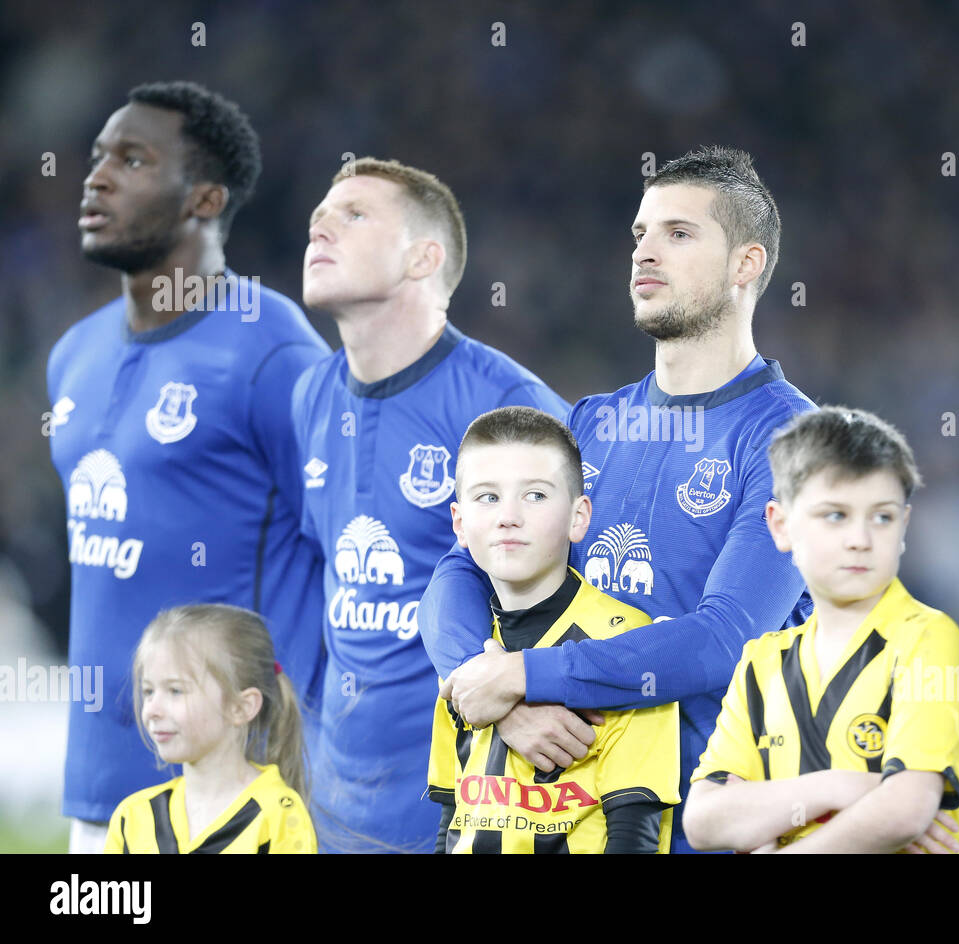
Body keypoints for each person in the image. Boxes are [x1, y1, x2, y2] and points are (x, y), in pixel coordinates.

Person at [425, 146, 818, 853]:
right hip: (559, 822)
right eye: (640, 233)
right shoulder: (591, 424)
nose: (645, 252)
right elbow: (459, 571)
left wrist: (523, 675)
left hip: (708, 831)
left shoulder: (795, 442)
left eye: (679, 233)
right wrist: (485, 695)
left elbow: (724, 638)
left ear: (747, 265)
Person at [48, 81, 328, 854]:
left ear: (205, 198)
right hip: (100, 792)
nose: (97, 177)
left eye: (133, 160)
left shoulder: (273, 353)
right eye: (100, 156)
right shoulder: (75, 353)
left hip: (236, 797)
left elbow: (347, 543)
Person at [293, 157, 567, 852]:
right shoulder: (309, 398)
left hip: (471, 802)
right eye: (320, 213)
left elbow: (578, 592)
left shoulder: (509, 405)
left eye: (354, 214)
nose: (320, 223)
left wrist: (521, 700)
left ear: (424, 258)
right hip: (336, 805)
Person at [684, 407, 959, 853]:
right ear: (781, 525)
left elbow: (904, 810)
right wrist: (839, 786)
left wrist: (767, 826)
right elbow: (704, 820)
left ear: (904, 527)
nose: (859, 538)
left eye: (881, 517)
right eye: (835, 515)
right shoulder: (762, 661)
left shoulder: (928, 639)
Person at [428, 408, 679, 853]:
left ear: (578, 517)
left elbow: (634, 837)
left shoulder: (626, 647)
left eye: (536, 496)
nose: (508, 516)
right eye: (487, 497)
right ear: (459, 524)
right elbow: (452, 822)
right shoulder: (467, 664)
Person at [104, 603, 316, 854]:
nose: (152, 709)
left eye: (175, 691)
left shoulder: (278, 815)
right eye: (148, 691)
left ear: (241, 707)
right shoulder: (133, 818)